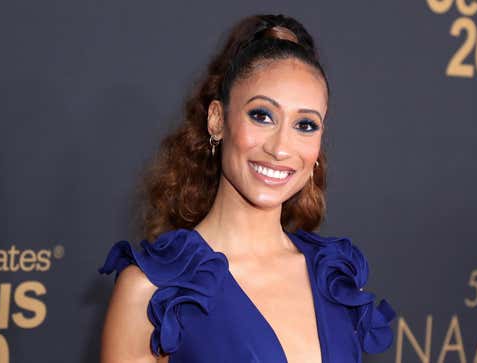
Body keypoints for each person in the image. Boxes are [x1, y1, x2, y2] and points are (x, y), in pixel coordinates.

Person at [98, 13, 395, 363]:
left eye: (305, 124)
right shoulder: (152, 291)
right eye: (262, 116)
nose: (281, 148)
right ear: (217, 119)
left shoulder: (335, 280)